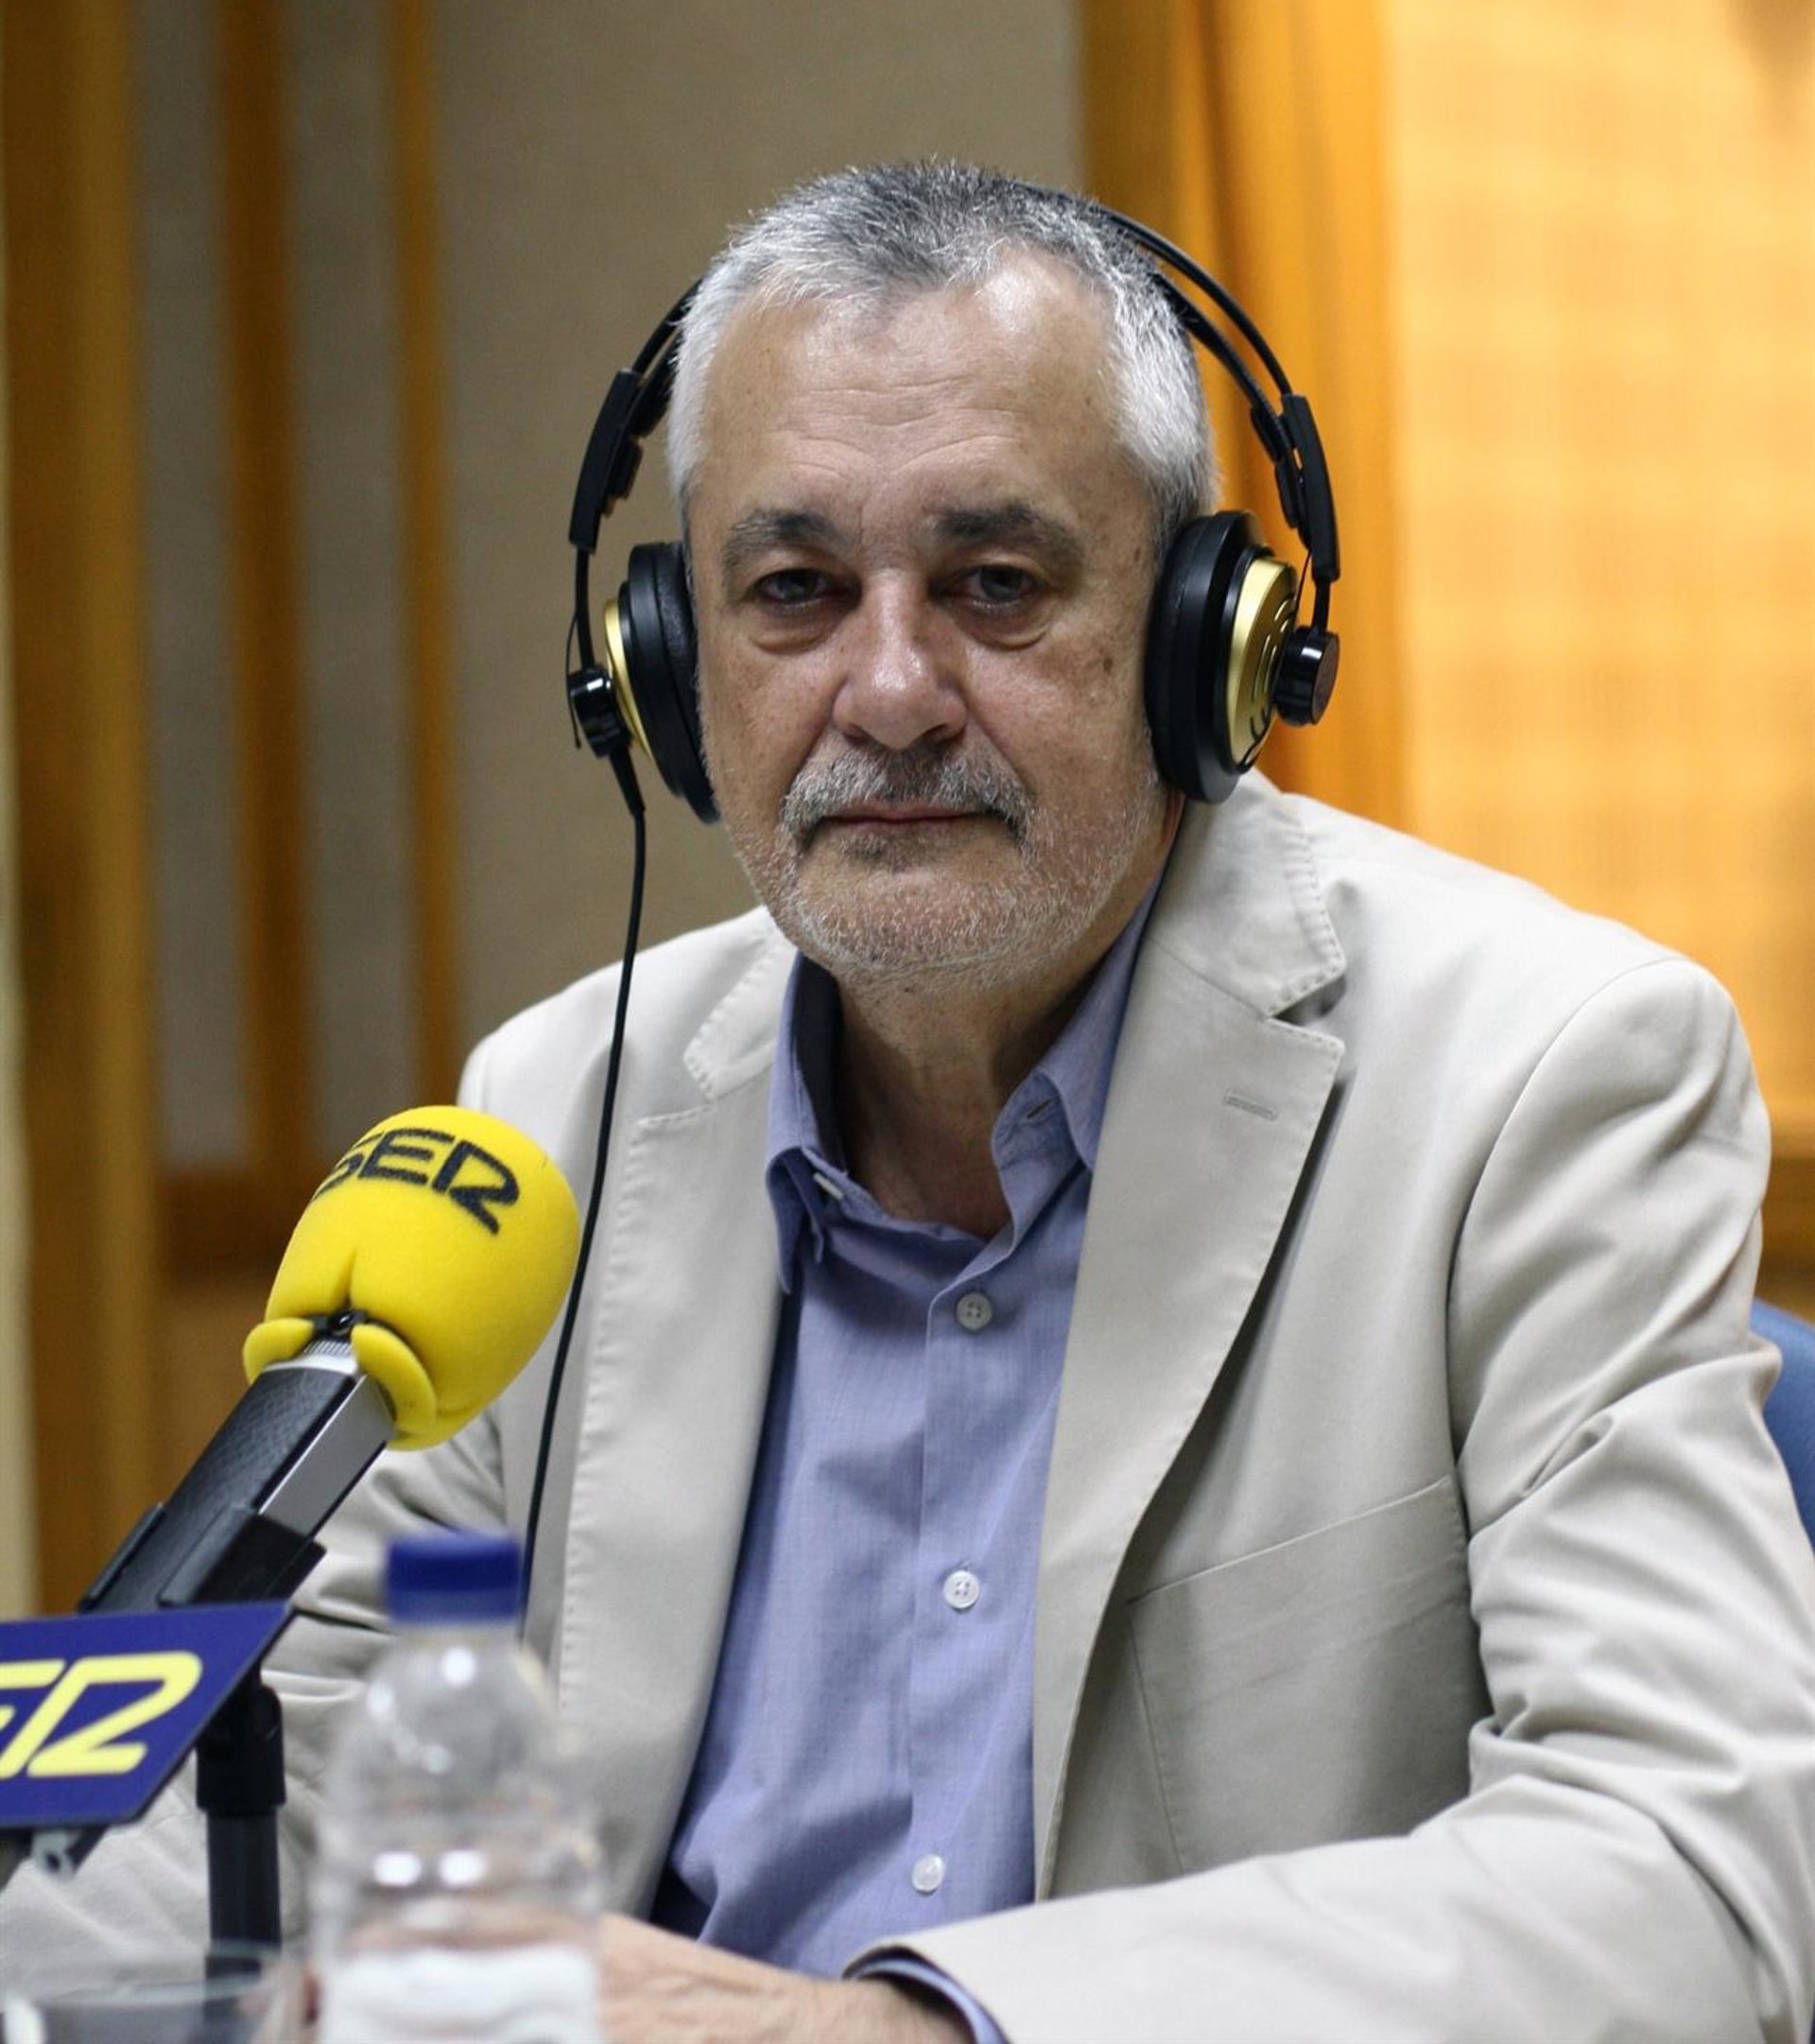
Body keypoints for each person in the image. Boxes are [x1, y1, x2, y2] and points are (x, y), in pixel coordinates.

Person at [7, 165, 1815, 2041]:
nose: (887, 691)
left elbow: (1695, 1870)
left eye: (994, 586)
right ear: (667, 665)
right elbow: (266, 1805)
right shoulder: (554, 1121)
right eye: (793, 592)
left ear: (1206, 634)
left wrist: (895, 2033)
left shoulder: (1542, 1080)